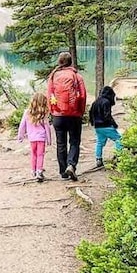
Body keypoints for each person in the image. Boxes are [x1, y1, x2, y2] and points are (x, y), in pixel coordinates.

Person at [46, 51, 87, 181]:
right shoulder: (77, 76)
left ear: (59, 62)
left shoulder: (53, 76)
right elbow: (83, 96)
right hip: (74, 115)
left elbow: (49, 96)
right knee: (74, 141)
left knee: (61, 144)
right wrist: (80, 112)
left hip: (58, 115)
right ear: (70, 62)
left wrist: (53, 112)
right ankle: (71, 165)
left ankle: (63, 172)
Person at [17, 92, 53, 182]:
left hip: (32, 138)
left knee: (33, 154)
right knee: (40, 155)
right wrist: (49, 140)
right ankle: (39, 171)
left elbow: (22, 125)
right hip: (41, 138)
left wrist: (20, 136)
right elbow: (47, 127)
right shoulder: (43, 113)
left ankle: (33, 171)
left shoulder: (27, 112)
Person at [89, 85, 122, 167]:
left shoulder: (95, 102)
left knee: (100, 143)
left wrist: (93, 123)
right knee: (119, 140)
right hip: (106, 126)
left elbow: (90, 113)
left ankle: (98, 159)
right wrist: (114, 124)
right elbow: (107, 116)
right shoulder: (106, 102)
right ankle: (119, 157)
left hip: (97, 127)